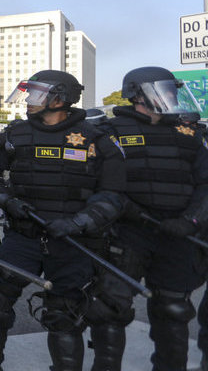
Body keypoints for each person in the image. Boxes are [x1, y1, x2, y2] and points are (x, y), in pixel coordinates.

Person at [0, 69, 126, 371]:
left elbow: (113, 195)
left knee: (64, 317)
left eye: (36, 94)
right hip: (22, 236)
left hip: (73, 242)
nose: (28, 100)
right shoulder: (12, 136)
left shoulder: (98, 140)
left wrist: (78, 222)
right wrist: (7, 201)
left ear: (58, 99)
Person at [87, 67, 208, 371]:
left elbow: (206, 185)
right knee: (109, 311)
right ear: (137, 94)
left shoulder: (189, 136)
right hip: (126, 234)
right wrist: (120, 207)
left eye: (172, 89)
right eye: (164, 89)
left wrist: (191, 221)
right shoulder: (110, 131)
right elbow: (94, 182)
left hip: (177, 235)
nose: (171, 95)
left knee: (174, 311)